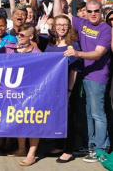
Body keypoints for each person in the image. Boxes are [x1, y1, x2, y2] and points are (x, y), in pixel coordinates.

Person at [54, 0, 112, 163]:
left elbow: (98, 54)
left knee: (97, 114)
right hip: (83, 76)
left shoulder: (106, 29)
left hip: (97, 76)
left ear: (101, 11)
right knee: (86, 114)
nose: (93, 14)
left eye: (96, 11)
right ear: (85, 11)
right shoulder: (82, 22)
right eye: (90, 10)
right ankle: (91, 145)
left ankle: (100, 148)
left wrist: (77, 53)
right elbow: (59, 16)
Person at [45, 15, 81, 163]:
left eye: (65, 25)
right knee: (56, 118)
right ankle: (59, 145)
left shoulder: (73, 45)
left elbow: (75, 70)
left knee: (68, 119)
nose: (62, 27)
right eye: (59, 24)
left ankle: (68, 150)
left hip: (66, 88)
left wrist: (69, 91)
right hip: (52, 89)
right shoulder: (50, 44)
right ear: (54, 27)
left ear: (69, 27)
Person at [6, 24, 40, 166]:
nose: (18, 37)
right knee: (18, 119)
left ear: (31, 36)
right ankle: (21, 149)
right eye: (18, 34)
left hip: (32, 92)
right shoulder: (11, 49)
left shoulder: (37, 53)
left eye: (22, 35)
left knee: (32, 122)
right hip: (15, 92)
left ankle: (32, 154)